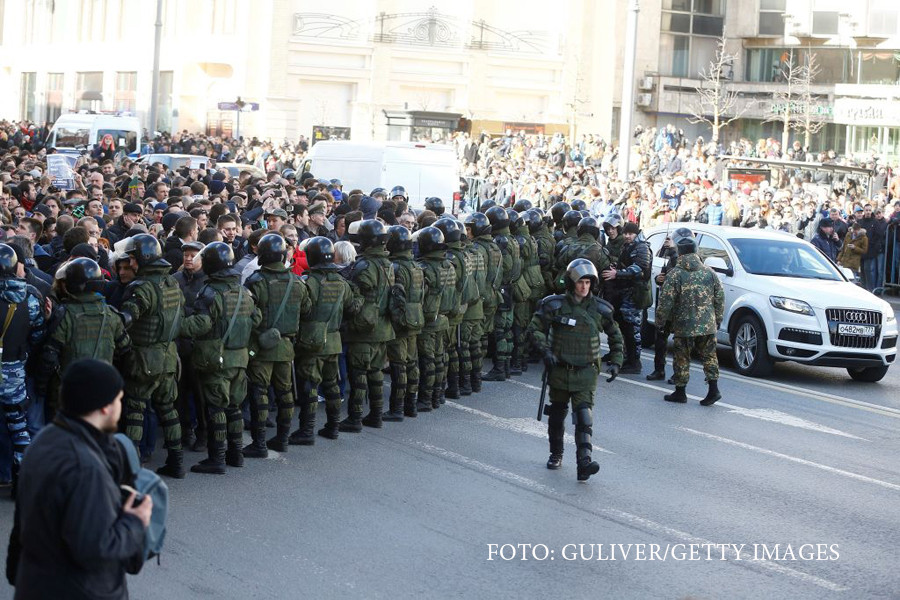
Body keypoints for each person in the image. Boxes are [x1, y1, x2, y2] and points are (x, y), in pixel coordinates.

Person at [7, 359, 151, 600]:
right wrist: (135, 522)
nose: (120, 405)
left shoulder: (42, 441)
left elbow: (22, 523)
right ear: (105, 407)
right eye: (118, 399)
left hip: (34, 584)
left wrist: (17, 573)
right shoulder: (86, 467)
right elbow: (96, 549)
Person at [529, 258, 623, 482]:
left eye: (588, 282)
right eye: (580, 282)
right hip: (560, 370)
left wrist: (617, 360)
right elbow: (535, 329)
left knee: (583, 417)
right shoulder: (555, 305)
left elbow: (615, 335)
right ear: (572, 282)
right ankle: (556, 454)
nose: (584, 287)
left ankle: (584, 463)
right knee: (557, 415)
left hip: (586, 371)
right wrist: (545, 351)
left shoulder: (600, 309)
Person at [180, 242, 261, 474]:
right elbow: (256, 319)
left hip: (216, 359)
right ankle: (236, 454)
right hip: (240, 357)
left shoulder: (209, 292)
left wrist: (177, 324)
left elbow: (201, 324)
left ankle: (216, 458)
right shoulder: (244, 291)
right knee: (234, 407)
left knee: (216, 408)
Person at [118, 234, 186, 479]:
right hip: (168, 356)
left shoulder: (141, 287)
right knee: (168, 410)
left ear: (141, 260)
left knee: (135, 411)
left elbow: (128, 316)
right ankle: (177, 463)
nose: (131, 264)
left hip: (143, 358)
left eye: (133, 259)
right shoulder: (171, 283)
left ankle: (133, 469)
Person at [38, 258, 131, 421]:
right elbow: (126, 348)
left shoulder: (64, 314)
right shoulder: (110, 314)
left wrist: (41, 385)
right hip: (102, 388)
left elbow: (49, 356)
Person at [244, 234, 309, 454]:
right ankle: (282, 438)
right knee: (285, 394)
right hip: (286, 346)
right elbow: (306, 309)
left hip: (261, 346)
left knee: (259, 394)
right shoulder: (297, 281)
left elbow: (247, 314)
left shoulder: (256, 281)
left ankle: (259, 442)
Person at [291, 237, 361, 442]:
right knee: (331, 384)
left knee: (309, 387)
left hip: (310, 342)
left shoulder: (308, 282)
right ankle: (333, 426)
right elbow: (351, 309)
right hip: (333, 341)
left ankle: (306, 430)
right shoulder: (342, 283)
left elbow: (301, 311)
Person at [655, 229, 725, 405]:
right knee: (709, 356)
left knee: (682, 357)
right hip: (707, 324)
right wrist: (717, 319)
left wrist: (660, 322)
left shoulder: (675, 274)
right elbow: (719, 297)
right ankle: (713, 389)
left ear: (679, 251)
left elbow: (666, 301)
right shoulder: (709, 272)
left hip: (684, 325)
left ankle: (680, 392)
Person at [0, 244, 46, 496]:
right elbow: (39, 333)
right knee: (19, 427)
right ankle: (22, 481)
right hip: (15, 371)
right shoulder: (29, 295)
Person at [340, 220, 395, 431]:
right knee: (376, 373)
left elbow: (357, 297)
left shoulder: (364, 265)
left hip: (364, 328)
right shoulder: (386, 263)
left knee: (359, 374)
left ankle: (354, 417)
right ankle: (376, 414)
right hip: (382, 327)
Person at [384, 225, 425, 419]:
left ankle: (397, 408)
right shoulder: (416, 265)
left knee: (399, 365)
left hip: (401, 322)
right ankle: (411, 404)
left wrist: (395, 320)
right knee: (412, 363)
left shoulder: (397, 267)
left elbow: (395, 297)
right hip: (415, 318)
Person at [602, 221, 652, 375]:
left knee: (633, 330)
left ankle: (634, 362)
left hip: (635, 293)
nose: (627, 236)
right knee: (626, 327)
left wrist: (617, 273)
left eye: (630, 233)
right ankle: (628, 358)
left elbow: (639, 268)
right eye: (625, 233)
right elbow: (626, 263)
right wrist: (616, 267)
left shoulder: (642, 247)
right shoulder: (628, 246)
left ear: (636, 234)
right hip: (626, 292)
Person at [415, 227, 456, 412]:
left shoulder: (424, 268)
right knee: (441, 358)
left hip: (429, 321)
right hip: (444, 319)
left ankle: (425, 399)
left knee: (428, 361)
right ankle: (438, 395)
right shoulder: (449, 265)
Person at [647, 232, 680, 382]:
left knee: (680, 342)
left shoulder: (688, 259)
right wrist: (659, 279)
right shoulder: (670, 259)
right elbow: (666, 276)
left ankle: (678, 373)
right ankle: (659, 369)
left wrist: (673, 250)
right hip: (666, 304)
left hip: (678, 306)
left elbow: (679, 271)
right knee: (660, 338)